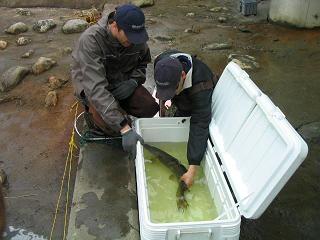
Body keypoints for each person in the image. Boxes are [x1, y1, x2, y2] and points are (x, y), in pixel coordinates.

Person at [71, 4, 159, 158]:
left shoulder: (136, 39)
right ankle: (93, 117)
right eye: (129, 36)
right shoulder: (91, 40)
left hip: (121, 82)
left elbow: (142, 65)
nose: (133, 42)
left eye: (136, 37)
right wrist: (124, 128)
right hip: (94, 87)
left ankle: (118, 111)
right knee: (115, 127)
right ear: (114, 25)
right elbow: (96, 88)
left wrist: (132, 82)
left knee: (150, 108)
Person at [154, 50, 218, 188]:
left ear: (183, 75)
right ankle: (177, 100)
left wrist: (192, 170)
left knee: (190, 114)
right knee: (175, 108)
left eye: (171, 90)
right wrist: (164, 104)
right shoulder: (161, 62)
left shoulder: (202, 84)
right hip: (182, 89)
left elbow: (199, 123)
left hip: (197, 93)